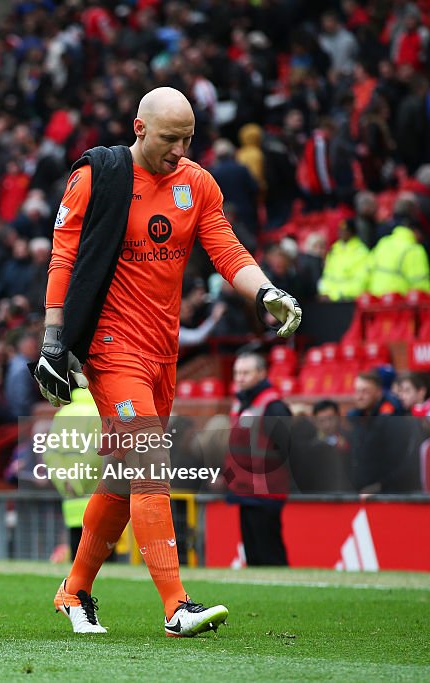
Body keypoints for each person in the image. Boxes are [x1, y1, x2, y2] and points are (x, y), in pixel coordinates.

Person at [34, 87, 301, 637]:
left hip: (163, 350)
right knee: (149, 459)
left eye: (188, 139)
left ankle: (74, 590)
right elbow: (63, 258)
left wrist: (265, 292)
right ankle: (176, 606)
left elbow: (226, 249)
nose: (179, 150)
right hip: (110, 346)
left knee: (122, 479)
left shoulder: (197, 183)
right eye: (169, 139)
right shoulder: (96, 177)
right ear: (138, 128)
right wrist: (52, 339)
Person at [222, 352, 291, 566]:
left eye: (245, 373)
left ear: (261, 373)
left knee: (269, 553)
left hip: (266, 492)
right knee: (253, 555)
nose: (239, 378)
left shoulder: (273, 406)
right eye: (236, 373)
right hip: (245, 490)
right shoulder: (242, 404)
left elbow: (287, 448)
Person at [41, 388, 103, 557]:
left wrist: (65, 481)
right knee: (100, 557)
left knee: (77, 557)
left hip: (70, 497)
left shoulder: (63, 414)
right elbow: (98, 452)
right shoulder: (99, 412)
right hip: (95, 494)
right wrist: (77, 480)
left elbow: (50, 454)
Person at [348, 372, 419, 494]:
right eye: (357, 391)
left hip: (387, 494)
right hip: (360, 492)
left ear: (378, 392)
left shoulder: (392, 419)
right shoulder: (355, 419)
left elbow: (400, 463)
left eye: (365, 391)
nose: (359, 396)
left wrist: (379, 486)